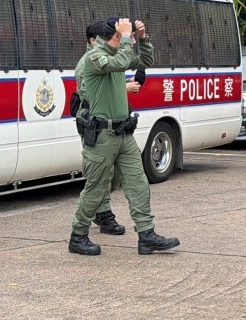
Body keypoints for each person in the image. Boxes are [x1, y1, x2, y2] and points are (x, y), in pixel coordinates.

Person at [68, 17, 179, 256]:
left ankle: (146, 234)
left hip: (123, 133)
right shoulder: (94, 57)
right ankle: (78, 235)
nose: (128, 41)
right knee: (97, 188)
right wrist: (128, 37)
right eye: (123, 36)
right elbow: (119, 62)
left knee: (138, 183)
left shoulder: (118, 55)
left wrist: (143, 38)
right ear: (111, 38)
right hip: (102, 136)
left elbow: (145, 61)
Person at [74, 20, 145, 236]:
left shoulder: (111, 58)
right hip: (96, 125)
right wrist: (123, 87)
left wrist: (140, 39)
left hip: (118, 128)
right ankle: (100, 215)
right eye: (115, 36)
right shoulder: (90, 60)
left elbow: (134, 62)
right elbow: (90, 92)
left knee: (119, 177)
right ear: (93, 40)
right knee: (99, 179)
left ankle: (144, 232)